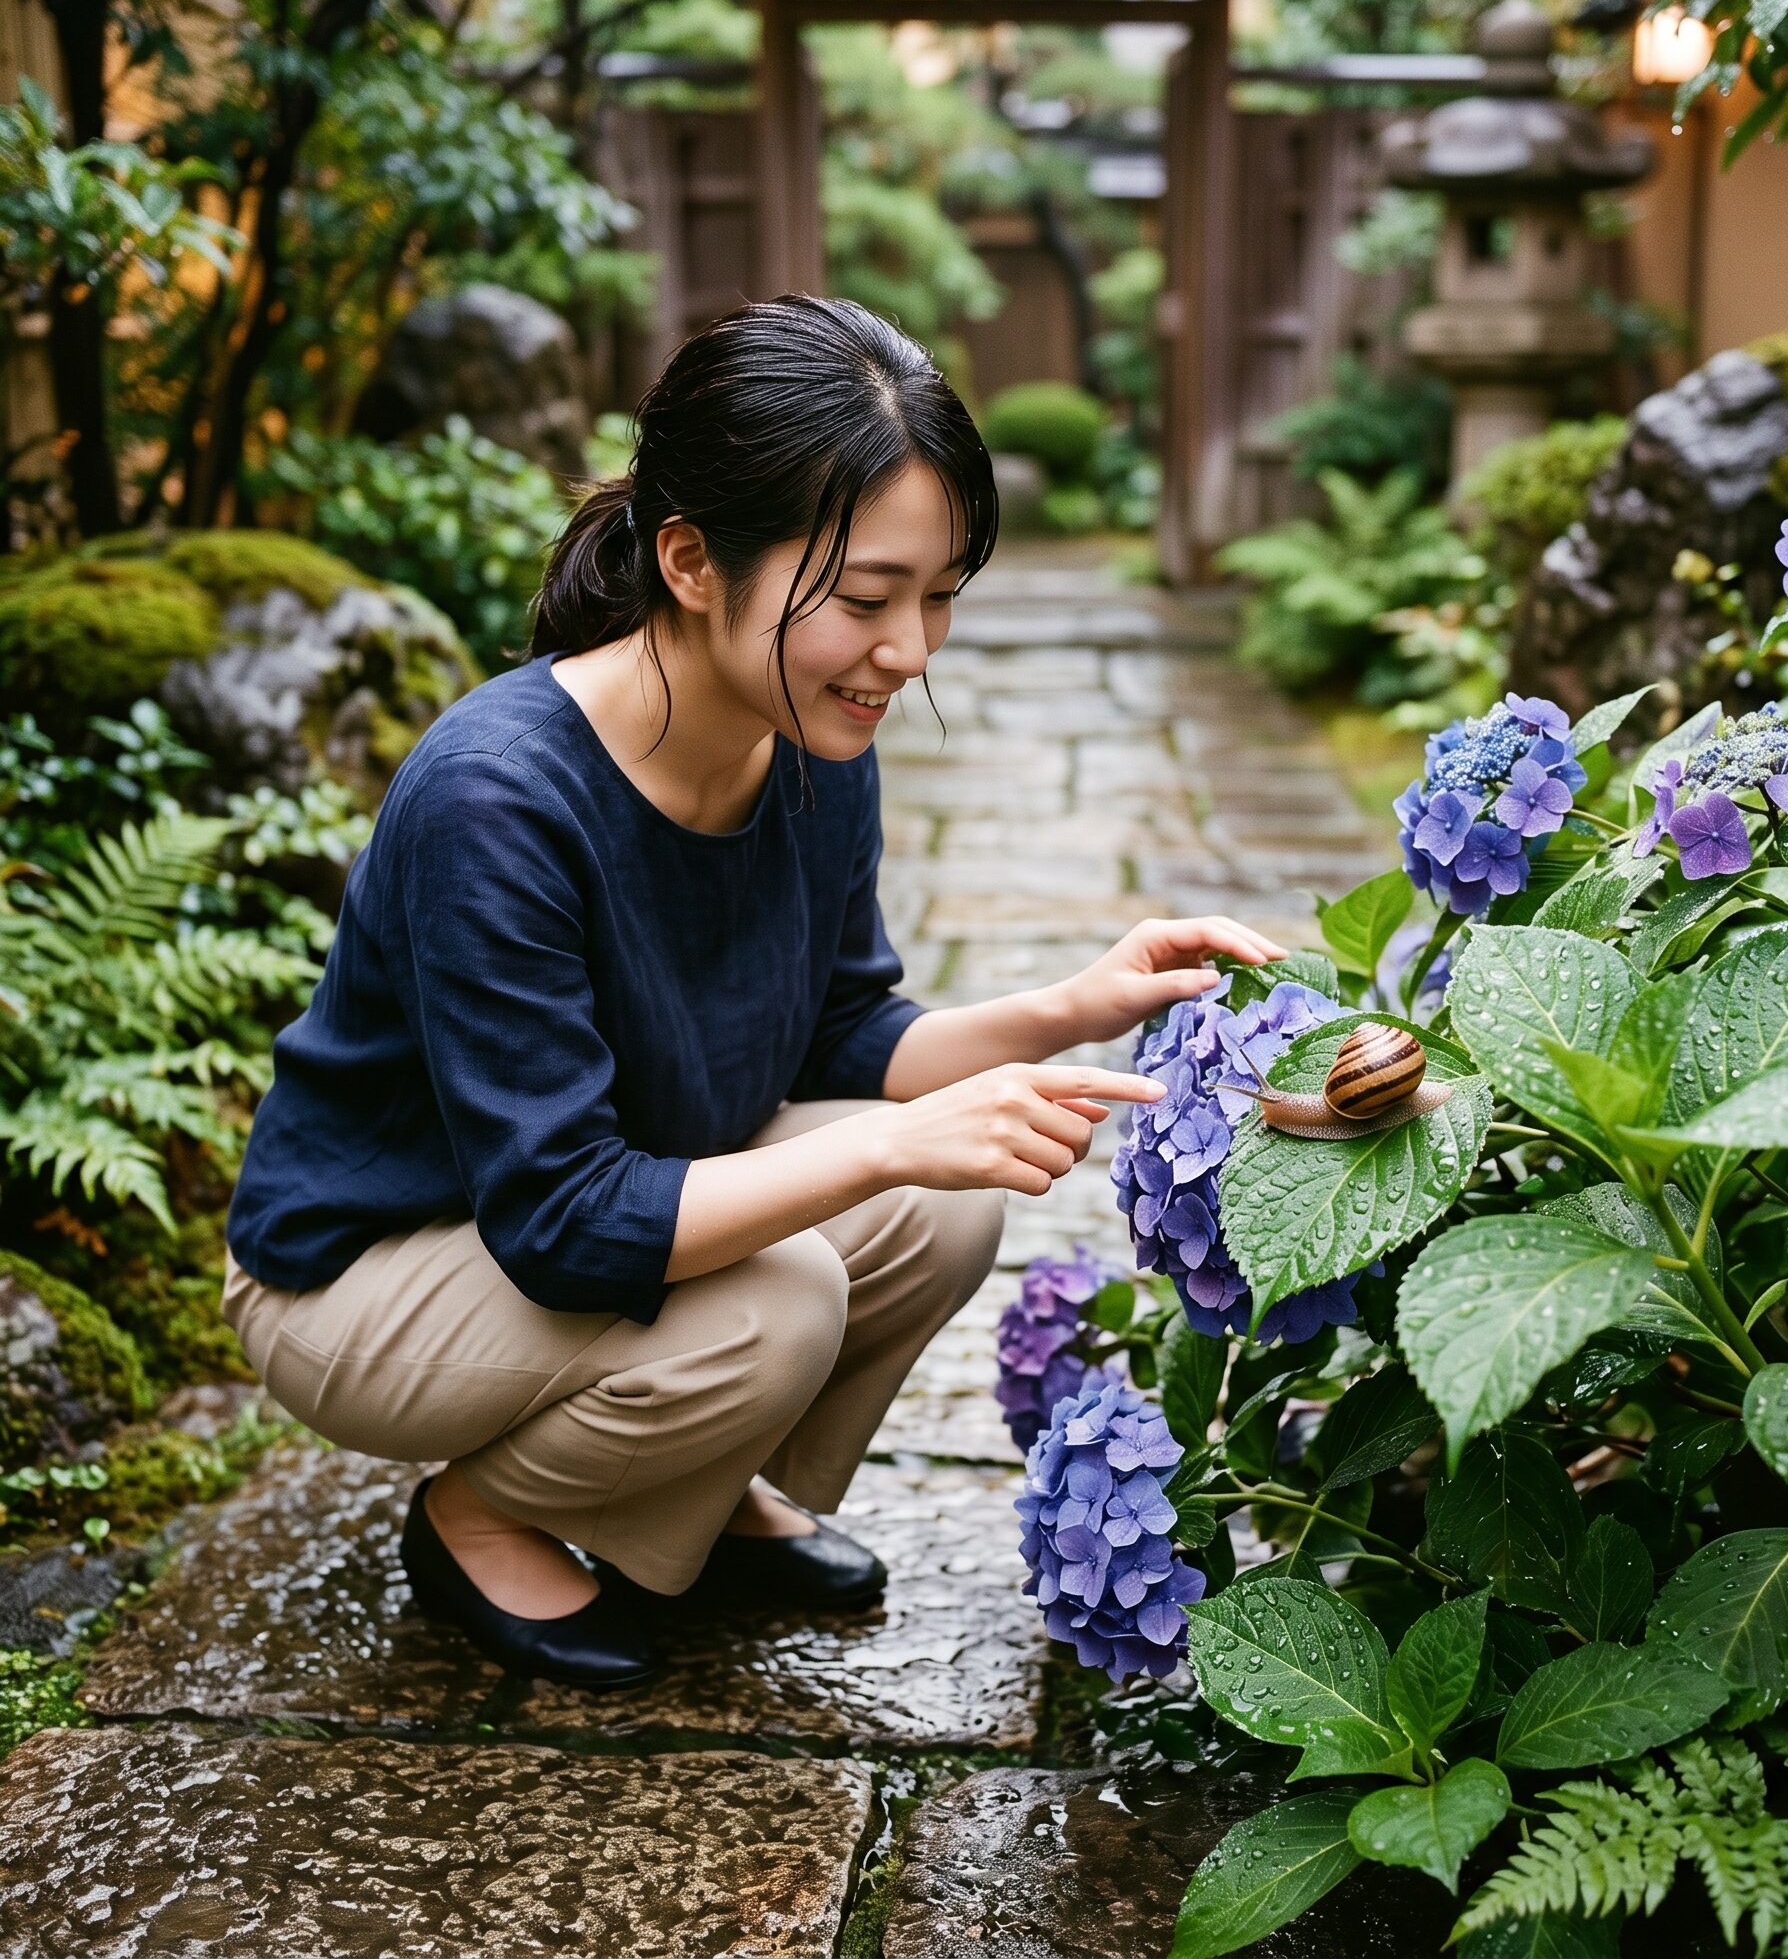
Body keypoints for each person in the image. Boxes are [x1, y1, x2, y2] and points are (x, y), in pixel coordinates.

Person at [218, 294, 1285, 1692]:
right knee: (784, 1294)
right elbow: (559, 1218)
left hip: (599, 1192)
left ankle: (694, 1503)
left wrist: (1072, 1004)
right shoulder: (500, 801)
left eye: (939, 593)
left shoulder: (817, 736)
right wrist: (882, 1141)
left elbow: (845, 1034)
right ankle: (482, 1513)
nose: (911, 650)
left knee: (941, 1204)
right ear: (689, 560)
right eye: (864, 599)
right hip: (376, 1264)